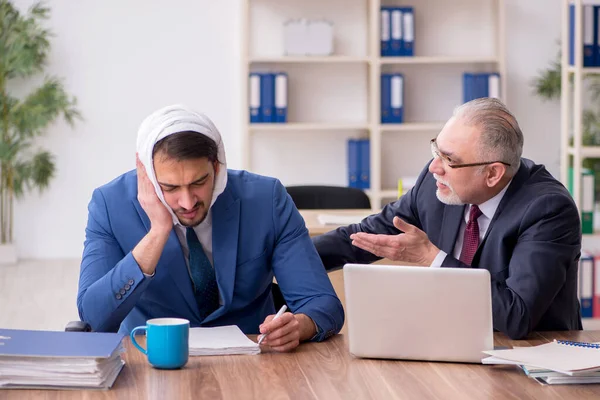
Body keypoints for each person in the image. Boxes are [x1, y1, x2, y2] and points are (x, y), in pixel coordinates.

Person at [77, 105, 344, 352]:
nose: (187, 201)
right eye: (170, 187)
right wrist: (157, 231)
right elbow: (94, 319)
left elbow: (323, 304)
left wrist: (301, 325)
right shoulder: (110, 205)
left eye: (198, 182)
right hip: (153, 357)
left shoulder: (266, 199)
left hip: (252, 358)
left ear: (216, 167)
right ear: (147, 175)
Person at [313, 97, 582, 340]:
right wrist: (282, 256)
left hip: (532, 361)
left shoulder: (548, 210)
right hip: (452, 343)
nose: (434, 167)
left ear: (493, 174)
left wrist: (432, 258)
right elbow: (367, 235)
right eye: (436, 150)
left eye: (449, 159)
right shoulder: (436, 184)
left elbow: (517, 316)